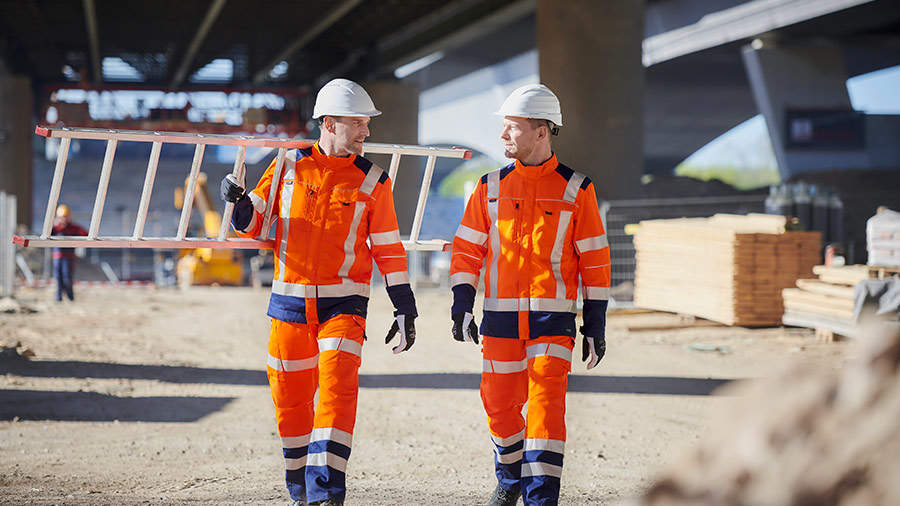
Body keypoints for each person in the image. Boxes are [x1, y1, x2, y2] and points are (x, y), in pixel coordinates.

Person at [220, 78, 417, 506]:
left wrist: (405, 305)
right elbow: (256, 222)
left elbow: (388, 248)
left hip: (344, 305)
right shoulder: (287, 165)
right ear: (329, 123)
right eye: (358, 124)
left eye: (367, 124)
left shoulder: (373, 181)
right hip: (288, 304)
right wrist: (238, 204)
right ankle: (301, 492)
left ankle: (327, 493)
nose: (366, 133)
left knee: (337, 389)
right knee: (290, 402)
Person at [449, 84, 610, 505]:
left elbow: (594, 260)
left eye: (512, 128)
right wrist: (461, 304)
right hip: (500, 320)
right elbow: (467, 251)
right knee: (499, 408)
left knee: (544, 413)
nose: (503, 136)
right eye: (503, 128)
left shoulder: (577, 190)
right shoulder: (488, 188)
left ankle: (540, 498)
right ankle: (510, 474)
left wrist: (595, 322)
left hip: (552, 323)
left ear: (542, 132)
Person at [51, 204, 87, 302]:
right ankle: (58, 298)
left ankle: (70, 297)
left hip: (69, 257)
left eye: (65, 217)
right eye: (61, 217)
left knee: (67, 277)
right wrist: (54, 226)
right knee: (58, 278)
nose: (63, 219)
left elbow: (85, 234)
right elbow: (47, 233)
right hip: (57, 256)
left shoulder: (73, 228)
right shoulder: (55, 228)